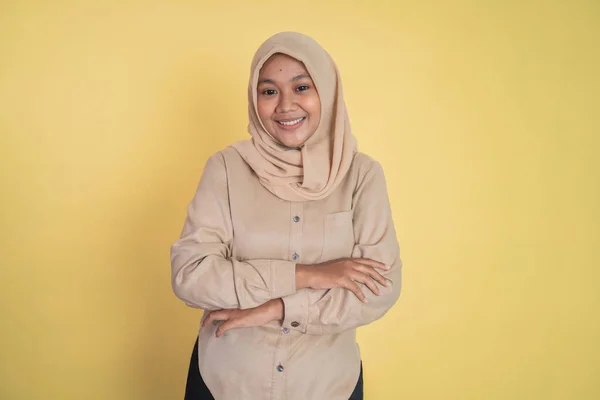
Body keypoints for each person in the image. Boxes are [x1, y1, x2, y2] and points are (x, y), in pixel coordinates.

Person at [170, 31, 402, 400]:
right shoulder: (227, 169)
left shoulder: (361, 175)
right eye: (269, 91)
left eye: (301, 87)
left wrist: (275, 309)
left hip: (327, 387)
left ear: (326, 91)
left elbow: (379, 290)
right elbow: (191, 276)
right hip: (225, 383)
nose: (285, 105)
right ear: (254, 98)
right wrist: (309, 275)